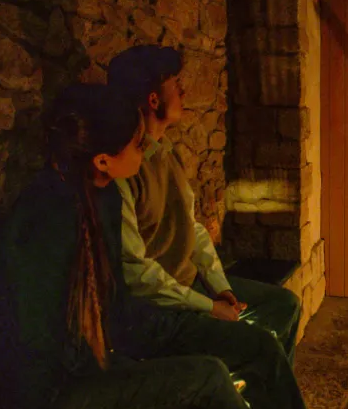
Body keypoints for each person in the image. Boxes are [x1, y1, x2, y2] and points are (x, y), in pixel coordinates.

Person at [3, 84, 348, 409]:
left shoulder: (96, 198)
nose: (146, 149)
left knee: (196, 408)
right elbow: (32, 348)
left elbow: (115, 305)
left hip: (98, 368)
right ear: (103, 160)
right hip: (60, 399)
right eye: (137, 145)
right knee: (206, 378)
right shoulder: (44, 220)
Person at [106, 45, 303, 363]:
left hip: (192, 284)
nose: (183, 90)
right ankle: (253, 397)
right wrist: (209, 306)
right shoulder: (122, 170)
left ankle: (252, 393)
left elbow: (191, 226)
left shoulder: (166, 152)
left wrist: (220, 287)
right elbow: (136, 272)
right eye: (174, 84)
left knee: (285, 305)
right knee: (261, 348)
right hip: (162, 308)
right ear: (153, 99)